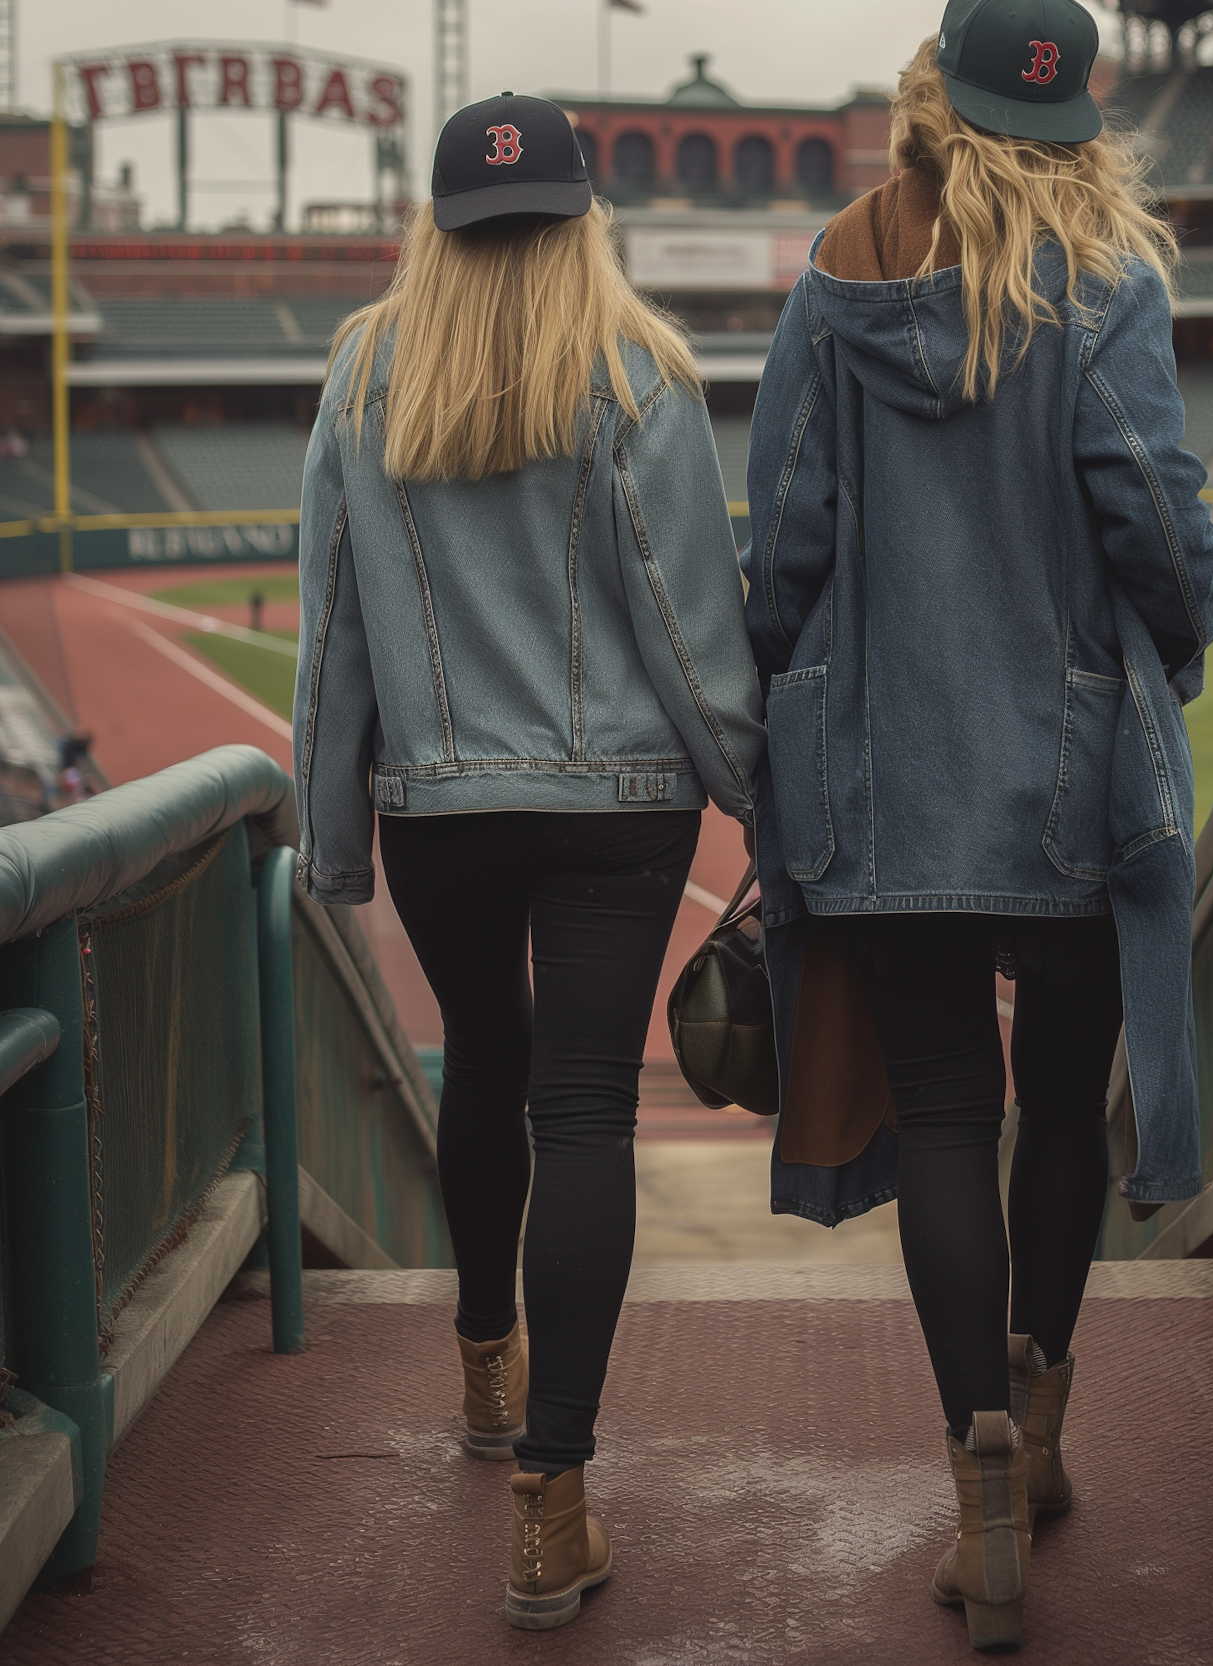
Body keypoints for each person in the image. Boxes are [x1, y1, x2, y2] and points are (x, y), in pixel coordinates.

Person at [743, 0, 1213, 1652]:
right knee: (1061, 1110)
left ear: (933, 105)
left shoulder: (835, 281)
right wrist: (1181, 644)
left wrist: (782, 694)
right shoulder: (1105, 285)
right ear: (1074, 124)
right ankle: (1050, 1410)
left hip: (886, 781)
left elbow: (786, 540)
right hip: (1075, 783)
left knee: (947, 1113)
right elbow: (1155, 520)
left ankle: (983, 1486)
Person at [293, 94, 763, 1633]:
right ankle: (550, 1502)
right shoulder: (640, 368)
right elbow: (692, 625)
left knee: (481, 1061)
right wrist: (758, 795)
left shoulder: (365, 369)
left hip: (437, 799)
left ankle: (486, 1359)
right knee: (583, 1110)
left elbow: (339, 629)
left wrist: (331, 834)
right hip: (622, 798)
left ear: (438, 224)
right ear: (583, 215)